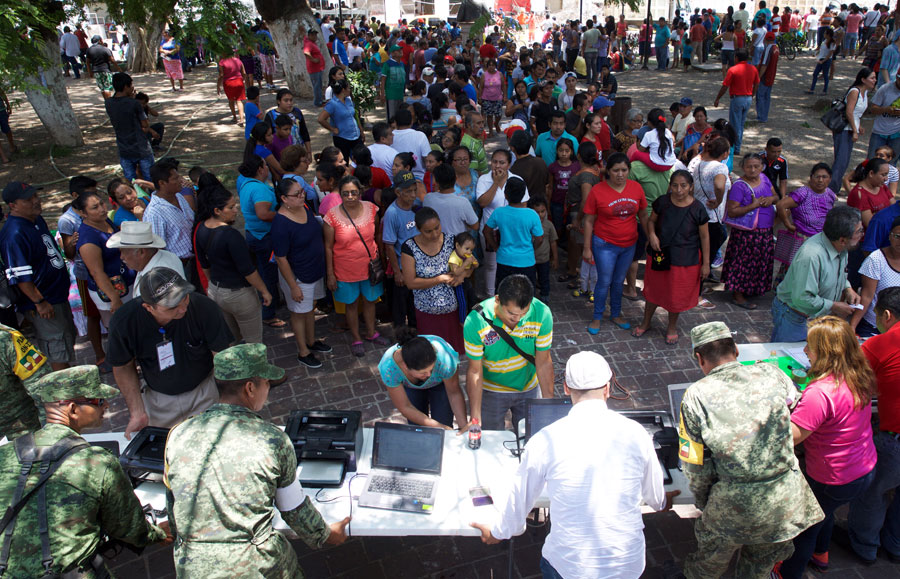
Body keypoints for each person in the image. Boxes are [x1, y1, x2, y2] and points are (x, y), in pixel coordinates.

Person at [470, 351, 675, 577]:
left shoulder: (545, 440)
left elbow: (519, 501)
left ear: (566, 388)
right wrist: (664, 502)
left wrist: (498, 532)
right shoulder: (637, 433)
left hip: (570, 567)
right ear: (608, 388)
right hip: (628, 565)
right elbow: (656, 500)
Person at [164, 343, 349, 576]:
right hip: (257, 567)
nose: (268, 389)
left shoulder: (178, 433)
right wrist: (328, 534)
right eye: (267, 383)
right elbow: (293, 509)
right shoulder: (273, 439)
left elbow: (174, 508)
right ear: (250, 388)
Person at [679, 321, 824, 579]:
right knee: (758, 569)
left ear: (699, 359)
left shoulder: (694, 396)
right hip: (784, 503)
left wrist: (704, 502)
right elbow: (794, 404)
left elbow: (693, 463)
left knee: (707, 566)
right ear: (735, 350)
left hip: (730, 508)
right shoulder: (772, 373)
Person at [0, 366, 171, 577]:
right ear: (72, 410)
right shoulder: (96, 462)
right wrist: (158, 534)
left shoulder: (6, 454)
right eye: (98, 401)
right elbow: (127, 527)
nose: (106, 405)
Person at [777, 317, 877, 578]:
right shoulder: (859, 373)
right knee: (824, 510)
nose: (806, 351)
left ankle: (788, 572)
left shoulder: (820, 392)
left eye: (810, 346)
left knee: (805, 526)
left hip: (833, 475)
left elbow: (790, 437)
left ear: (824, 352)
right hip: (863, 467)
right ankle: (821, 555)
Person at [108, 267, 233, 436]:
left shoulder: (204, 307)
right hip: (159, 401)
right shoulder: (125, 321)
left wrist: (228, 401)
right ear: (148, 307)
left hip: (204, 392)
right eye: (171, 307)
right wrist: (137, 412)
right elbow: (123, 367)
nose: (182, 308)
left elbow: (222, 357)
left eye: (184, 298)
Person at [846, 287, 900, 562]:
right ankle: (895, 545)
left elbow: (854, 380)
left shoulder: (881, 343)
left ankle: (864, 546)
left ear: (887, 316)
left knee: (873, 491)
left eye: (877, 314)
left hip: (896, 437)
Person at [0, 182, 75, 371]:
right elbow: (20, 277)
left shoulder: (36, 220)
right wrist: (39, 301)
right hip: (44, 302)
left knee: (65, 341)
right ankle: (69, 396)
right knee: (56, 347)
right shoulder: (14, 233)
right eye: (28, 199)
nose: (36, 201)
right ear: (13, 205)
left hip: (57, 296)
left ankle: (73, 388)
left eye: (35, 196)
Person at [463, 274, 553, 431]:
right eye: (511, 314)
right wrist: (476, 418)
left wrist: (548, 405)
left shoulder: (542, 313)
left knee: (531, 437)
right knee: (491, 438)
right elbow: (475, 371)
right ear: (497, 300)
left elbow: (544, 361)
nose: (518, 319)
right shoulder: (475, 321)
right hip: (492, 390)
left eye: (523, 314)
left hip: (528, 387)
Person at [633, 170, 710, 345]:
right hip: (661, 254)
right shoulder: (663, 202)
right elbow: (651, 221)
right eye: (675, 185)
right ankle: (646, 322)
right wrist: (651, 235)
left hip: (685, 259)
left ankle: (672, 327)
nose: (679, 190)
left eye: (683, 185)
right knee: (654, 289)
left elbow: (705, 237)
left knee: (676, 294)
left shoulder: (698, 208)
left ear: (691, 187)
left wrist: (705, 264)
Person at [195, 174, 270, 346]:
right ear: (217, 211)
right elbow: (248, 270)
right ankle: (258, 372)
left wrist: (211, 285)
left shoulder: (201, 228)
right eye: (231, 207)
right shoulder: (231, 235)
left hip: (216, 290)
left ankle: (239, 369)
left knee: (233, 339)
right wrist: (264, 290)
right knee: (254, 342)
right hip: (239, 294)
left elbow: (204, 264)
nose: (236, 210)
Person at [772, 205, 864, 341]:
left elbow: (839, 273)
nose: (862, 235)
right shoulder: (811, 256)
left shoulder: (842, 248)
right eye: (859, 232)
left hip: (816, 316)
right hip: (795, 318)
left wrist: (848, 288)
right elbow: (802, 298)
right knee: (789, 359)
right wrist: (834, 306)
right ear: (842, 240)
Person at [582, 153, 649, 334]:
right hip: (604, 244)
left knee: (619, 281)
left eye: (624, 170)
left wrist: (650, 235)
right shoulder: (597, 191)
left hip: (629, 244)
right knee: (604, 281)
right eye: (616, 170)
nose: (620, 174)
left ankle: (616, 313)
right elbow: (588, 220)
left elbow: (642, 214)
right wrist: (587, 248)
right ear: (608, 171)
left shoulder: (636, 188)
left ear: (629, 170)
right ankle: (597, 317)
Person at [324, 176, 389, 357]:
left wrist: (380, 258)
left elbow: (376, 236)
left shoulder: (371, 209)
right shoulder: (331, 217)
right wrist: (330, 274)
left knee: (370, 301)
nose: (350, 197)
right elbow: (328, 247)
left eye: (354, 192)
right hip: (345, 270)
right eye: (346, 194)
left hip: (369, 268)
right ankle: (356, 338)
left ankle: (371, 332)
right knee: (351, 305)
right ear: (341, 195)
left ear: (360, 192)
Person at [401, 207, 465, 352]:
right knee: (432, 355)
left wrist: (461, 275)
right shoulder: (409, 248)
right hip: (426, 312)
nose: (435, 234)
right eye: (428, 231)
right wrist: (439, 279)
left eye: (437, 228)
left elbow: (470, 264)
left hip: (453, 311)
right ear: (418, 228)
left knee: (453, 357)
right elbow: (410, 282)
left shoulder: (452, 241)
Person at [721, 153, 778, 310]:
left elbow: (776, 195)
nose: (753, 170)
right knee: (743, 264)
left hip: (765, 230)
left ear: (762, 167)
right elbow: (732, 211)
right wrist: (753, 206)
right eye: (749, 166)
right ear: (743, 167)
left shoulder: (765, 178)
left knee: (759, 262)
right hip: (746, 234)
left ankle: (751, 289)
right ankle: (738, 295)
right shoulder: (740, 186)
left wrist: (771, 200)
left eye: (756, 166)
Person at [74, 191, 135, 329]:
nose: (102, 209)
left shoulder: (105, 220)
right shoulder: (87, 239)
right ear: (83, 213)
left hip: (126, 282)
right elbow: (97, 272)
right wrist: (114, 298)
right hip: (111, 292)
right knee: (121, 330)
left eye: (101, 203)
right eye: (94, 207)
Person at [236, 155, 284, 328]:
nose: (268, 168)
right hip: (263, 237)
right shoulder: (259, 189)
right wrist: (283, 215)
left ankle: (273, 303)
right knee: (268, 276)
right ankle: (268, 313)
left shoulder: (246, 184)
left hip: (254, 234)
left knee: (266, 273)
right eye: (265, 165)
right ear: (259, 169)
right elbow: (263, 214)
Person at [773, 163, 837, 285]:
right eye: (817, 176)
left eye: (824, 177)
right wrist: (788, 225)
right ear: (811, 177)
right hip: (802, 238)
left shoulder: (829, 194)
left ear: (830, 179)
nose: (820, 180)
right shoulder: (802, 193)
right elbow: (781, 205)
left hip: (820, 238)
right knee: (794, 268)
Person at [476, 150, 529, 296]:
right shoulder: (484, 180)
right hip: (489, 229)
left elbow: (523, 205)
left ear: (509, 164)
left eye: (502, 163)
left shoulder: (516, 179)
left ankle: (509, 295)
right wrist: (496, 183)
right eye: (494, 162)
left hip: (511, 230)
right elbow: (482, 202)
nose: (497, 166)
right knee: (491, 265)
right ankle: (490, 296)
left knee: (509, 263)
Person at [485, 177, 543, 291]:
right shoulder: (532, 214)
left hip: (504, 260)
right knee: (526, 295)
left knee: (504, 294)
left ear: (505, 195)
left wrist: (496, 247)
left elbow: (486, 231)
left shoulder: (499, 212)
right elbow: (539, 239)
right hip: (526, 261)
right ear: (523, 195)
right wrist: (531, 249)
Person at [382, 170, 420, 329]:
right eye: (408, 191)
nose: (413, 195)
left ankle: (416, 331)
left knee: (415, 305)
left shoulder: (417, 206)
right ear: (398, 192)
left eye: (414, 190)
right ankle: (401, 337)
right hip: (403, 268)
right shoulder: (392, 213)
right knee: (400, 306)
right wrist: (397, 272)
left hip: (419, 266)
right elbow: (389, 246)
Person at [108, 220, 184, 299]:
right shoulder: (166, 256)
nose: (121, 257)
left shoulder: (157, 278)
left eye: (123, 252)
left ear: (141, 252)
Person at [851, 216, 900, 337]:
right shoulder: (876, 259)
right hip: (874, 326)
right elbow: (867, 296)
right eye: (898, 236)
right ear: (890, 235)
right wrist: (852, 326)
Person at [830, 68, 876, 193]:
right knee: (841, 160)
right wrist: (855, 130)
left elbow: (856, 114)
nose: (874, 80)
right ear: (863, 79)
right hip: (844, 129)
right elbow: (849, 112)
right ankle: (832, 189)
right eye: (872, 78)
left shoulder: (864, 93)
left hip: (851, 128)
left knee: (844, 160)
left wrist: (858, 126)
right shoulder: (854, 91)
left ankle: (834, 186)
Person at [106, 73, 155, 181]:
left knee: (131, 180)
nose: (133, 87)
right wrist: (132, 100)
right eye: (131, 85)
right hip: (140, 147)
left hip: (123, 147)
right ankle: (153, 197)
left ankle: (137, 197)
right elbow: (145, 124)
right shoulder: (134, 104)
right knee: (150, 178)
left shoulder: (108, 103)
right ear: (125, 87)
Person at [713, 48, 759, 155]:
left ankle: (734, 147)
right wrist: (752, 94)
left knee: (734, 125)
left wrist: (718, 98)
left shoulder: (733, 70)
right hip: (748, 98)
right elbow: (757, 83)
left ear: (736, 58)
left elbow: (725, 86)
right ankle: (738, 146)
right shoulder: (753, 69)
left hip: (737, 98)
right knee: (741, 124)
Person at [423, 163, 479, 236]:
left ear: (436, 182)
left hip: (437, 242)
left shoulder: (428, 199)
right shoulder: (462, 202)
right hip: (457, 243)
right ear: (456, 178)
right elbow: (475, 226)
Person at [263, 89, 313, 158]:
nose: (289, 103)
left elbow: (304, 132)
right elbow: (267, 137)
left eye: (291, 100)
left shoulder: (297, 112)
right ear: (278, 101)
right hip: (280, 154)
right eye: (286, 100)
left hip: (298, 151)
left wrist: (309, 151)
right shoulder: (271, 116)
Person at [867, 69, 900, 162]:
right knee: (872, 160)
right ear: (897, 78)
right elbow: (873, 109)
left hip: (897, 133)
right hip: (879, 132)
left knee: (892, 162)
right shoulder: (885, 88)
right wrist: (886, 110)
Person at [391, 108, 432, 182]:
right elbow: (428, 159)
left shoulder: (390, 136)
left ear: (395, 123)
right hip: (419, 179)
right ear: (412, 121)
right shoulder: (420, 135)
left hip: (397, 179)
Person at [529, 197, 558, 300]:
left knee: (544, 279)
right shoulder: (528, 225)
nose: (540, 215)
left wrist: (555, 258)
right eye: (537, 212)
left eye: (543, 211)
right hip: (530, 259)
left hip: (544, 259)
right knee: (530, 280)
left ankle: (544, 297)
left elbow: (553, 242)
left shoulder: (549, 225)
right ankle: (530, 299)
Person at [85, 34, 120, 99]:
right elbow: (112, 60)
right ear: (100, 40)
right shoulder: (105, 49)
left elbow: (87, 62)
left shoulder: (89, 50)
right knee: (107, 88)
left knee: (102, 88)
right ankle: (109, 102)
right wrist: (119, 69)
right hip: (105, 70)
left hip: (96, 72)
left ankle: (106, 101)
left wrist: (90, 72)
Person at [217, 50, 246, 126]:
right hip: (239, 81)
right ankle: (242, 119)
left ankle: (234, 117)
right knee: (239, 101)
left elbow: (221, 75)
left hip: (228, 83)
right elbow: (244, 73)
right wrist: (243, 80)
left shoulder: (222, 62)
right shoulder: (238, 61)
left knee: (231, 100)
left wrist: (218, 86)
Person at [756, 31, 779, 123]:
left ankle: (761, 116)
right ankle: (764, 115)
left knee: (760, 96)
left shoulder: (768, 49)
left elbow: (764, 64)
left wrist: (758, 76)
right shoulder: (776, 48)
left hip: (765, 77)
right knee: (767, 97)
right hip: (771, 76)